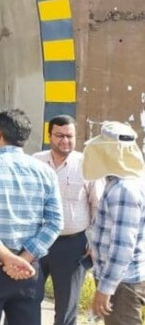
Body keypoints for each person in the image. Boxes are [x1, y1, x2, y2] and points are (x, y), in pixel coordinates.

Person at [0, 109, 64, 325]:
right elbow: (55, 223)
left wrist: (6, 257)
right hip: (27, 272)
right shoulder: (45, 173)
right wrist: (23, 259)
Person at [32, 115, 103, 325]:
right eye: (59, 136)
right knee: (25, 300)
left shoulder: (87, 165)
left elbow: (97, 205)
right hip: (36, 243)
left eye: (70, 136)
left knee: (66, 308)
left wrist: (93, 242)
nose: (65, 141)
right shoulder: (35, 162)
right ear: (49, 136)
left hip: (72, 245)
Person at [82, 121, 145, 325]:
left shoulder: (124, 189)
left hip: (122, 283)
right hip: (122, 280)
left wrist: (105, 289)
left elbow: (123, 247)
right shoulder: (125, 182)